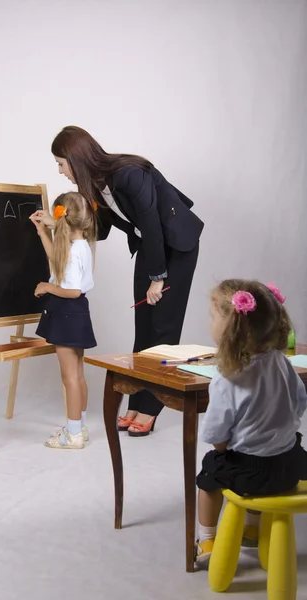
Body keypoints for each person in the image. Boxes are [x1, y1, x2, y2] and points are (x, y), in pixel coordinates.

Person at [51, 126, 204, 436]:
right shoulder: (95, 188)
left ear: (74, 158)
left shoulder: (129, 173)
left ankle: (152, 407)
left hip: (175, 244)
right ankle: (137, 399)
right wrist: (57, 223)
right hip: (151, 244)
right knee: (143, 325)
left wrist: (158, 279)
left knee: (162, 328)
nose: (60, 170)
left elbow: (151, 222)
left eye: (61, 163)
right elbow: (101, 230)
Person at [195, 279, 307, 565]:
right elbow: (299, 402)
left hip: (252, 472)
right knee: (265, 456)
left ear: (229, 329)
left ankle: (207, 540)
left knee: (210, 474)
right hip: (289, 465)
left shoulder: (226, 377)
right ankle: (253, 530)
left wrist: (226, 447)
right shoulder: (281, 361)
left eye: (213, 317)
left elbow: (216, 436)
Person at [30, 192, 97, 450]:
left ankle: (73, 435)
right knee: (78, 375)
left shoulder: (73, 251)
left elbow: (72, 290)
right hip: (78, 312)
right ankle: (79, 427)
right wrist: (43, 234)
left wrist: (47, 286)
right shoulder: (81, 245)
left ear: (62, 217)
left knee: (69, 377)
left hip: (67, 311)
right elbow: (58, 259)